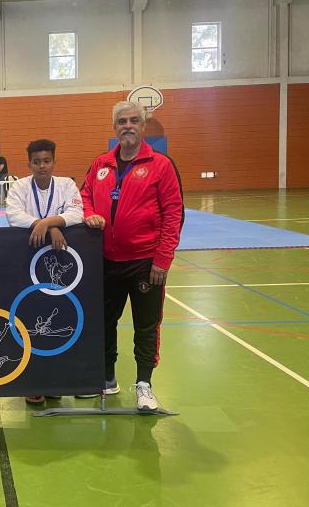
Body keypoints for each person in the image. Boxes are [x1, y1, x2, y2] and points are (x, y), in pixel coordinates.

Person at [80, 100, 184, 412]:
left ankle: (144, 384)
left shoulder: (161, 165)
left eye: (134, 120)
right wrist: (88, 214)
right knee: (104, 321)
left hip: (145, 263)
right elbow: (84, 195)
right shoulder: (100, 164)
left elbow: (174, 213)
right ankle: (107, 377)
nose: (128, 126)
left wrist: (162, 259)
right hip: (106, 261)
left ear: (143, 125)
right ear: (114, 127)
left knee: (146, 325)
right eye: (122, 121)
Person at [5, 138, 84, 405]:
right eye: (37, 162)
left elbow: (78, 213)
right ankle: (33, 382)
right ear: (29, 164)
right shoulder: (19, 187)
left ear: (54, 162)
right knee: (29, 320)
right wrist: (46, 226)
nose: (42, 166)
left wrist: (48, 223)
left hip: (58, 264)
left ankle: (54, 380)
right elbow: (13, 215)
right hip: (26, 262)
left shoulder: (66, 185)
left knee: (59, 320)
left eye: (47, 161)